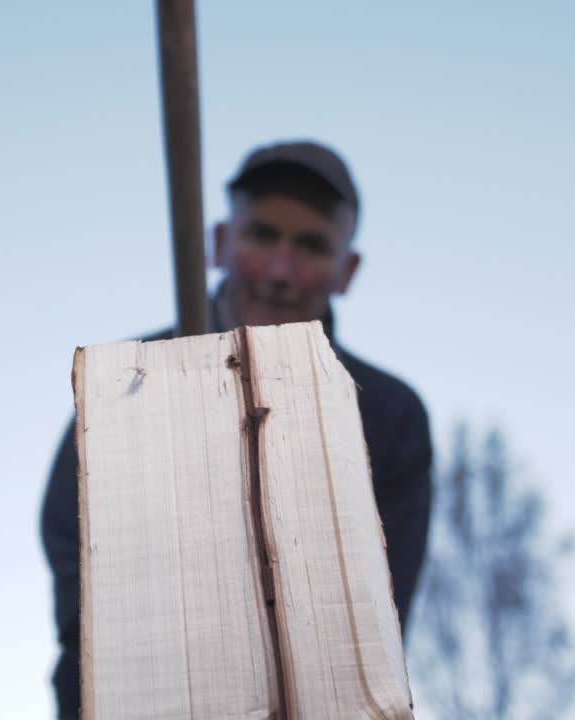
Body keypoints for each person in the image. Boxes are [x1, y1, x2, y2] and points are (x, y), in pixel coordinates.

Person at [39, 140, 433, 719]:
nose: (279, 271)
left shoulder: (386, 413)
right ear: (221, 241)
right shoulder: (127, 386)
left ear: (347, 269)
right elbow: (77, 572)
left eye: (311, 246)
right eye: (262, 236)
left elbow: (381, 620)